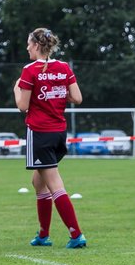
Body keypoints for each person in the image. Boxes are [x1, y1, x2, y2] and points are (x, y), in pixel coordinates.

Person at [14, 27, 87, 247]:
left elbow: (22, 106)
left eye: (29, 44)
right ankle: (43, 235)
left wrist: (16, 89)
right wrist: (56, 90)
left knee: (54, 184)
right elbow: (77, 98)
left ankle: (76, 235)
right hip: (59, 132)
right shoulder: (64, 67)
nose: (27, 48)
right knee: (38, 182)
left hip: (40, 132)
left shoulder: (29, 70)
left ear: (36, 45)